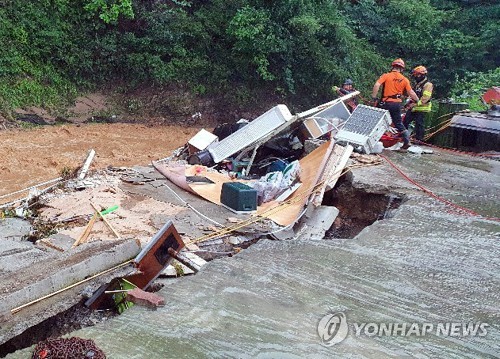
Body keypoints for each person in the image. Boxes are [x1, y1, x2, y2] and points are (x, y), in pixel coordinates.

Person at [371, 58, 419, 149]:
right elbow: (411, 92)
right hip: (396, 104)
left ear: (393, 66)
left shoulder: (386, 76)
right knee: (398, 123)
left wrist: (374, 97)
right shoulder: (404, 79)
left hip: (385, 103)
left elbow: (377, 85)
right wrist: (417, 100)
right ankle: (406, 141)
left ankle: (373, 139)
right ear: (402, 69)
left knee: (378, 120)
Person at [403, 66, 433, 142]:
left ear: (423, 75)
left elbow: (425, 98)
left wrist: (416, 104)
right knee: (405, 121)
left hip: (422, 108)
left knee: (419, 124)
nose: (416, 77)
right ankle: (403, 136)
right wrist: (408, 103)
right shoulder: (418, 84)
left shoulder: (428, 85)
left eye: (417, 75)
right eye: (415, 75)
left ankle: (419, 140)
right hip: (414, 107)